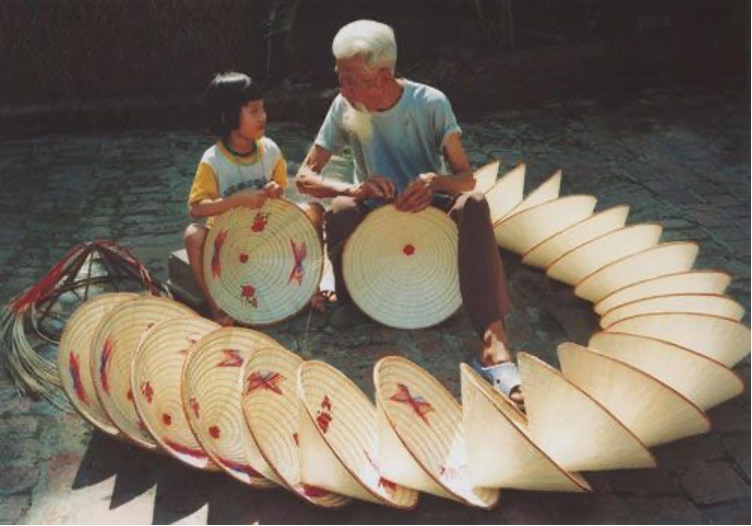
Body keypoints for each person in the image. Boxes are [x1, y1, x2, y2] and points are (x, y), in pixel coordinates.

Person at [295, 20, 523, 405]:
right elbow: (304, 177)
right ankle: (353, 300)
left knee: (475, 205)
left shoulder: (430, 103)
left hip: (429, 214)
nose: (343, 90)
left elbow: (467, 180)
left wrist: (435, 182)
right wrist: (354, 187)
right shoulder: (343, 106)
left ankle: (493, 339)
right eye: (341, 78)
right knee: (342, 207)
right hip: (373, 219)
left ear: (383, 75)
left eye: (352, 80)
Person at [184, 72, 324, 326]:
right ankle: (219, 312)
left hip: (268, 237)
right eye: (254, 111)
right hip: (231, 246)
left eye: (263, 109)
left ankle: (309, 291)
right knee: (193, 235)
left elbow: (279, 190)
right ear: (227, 117)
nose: (263, 117)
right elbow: (196, 210)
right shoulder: (213, 160)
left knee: (314, 210)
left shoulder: (269, 150)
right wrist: (237, 200)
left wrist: (273, 191)